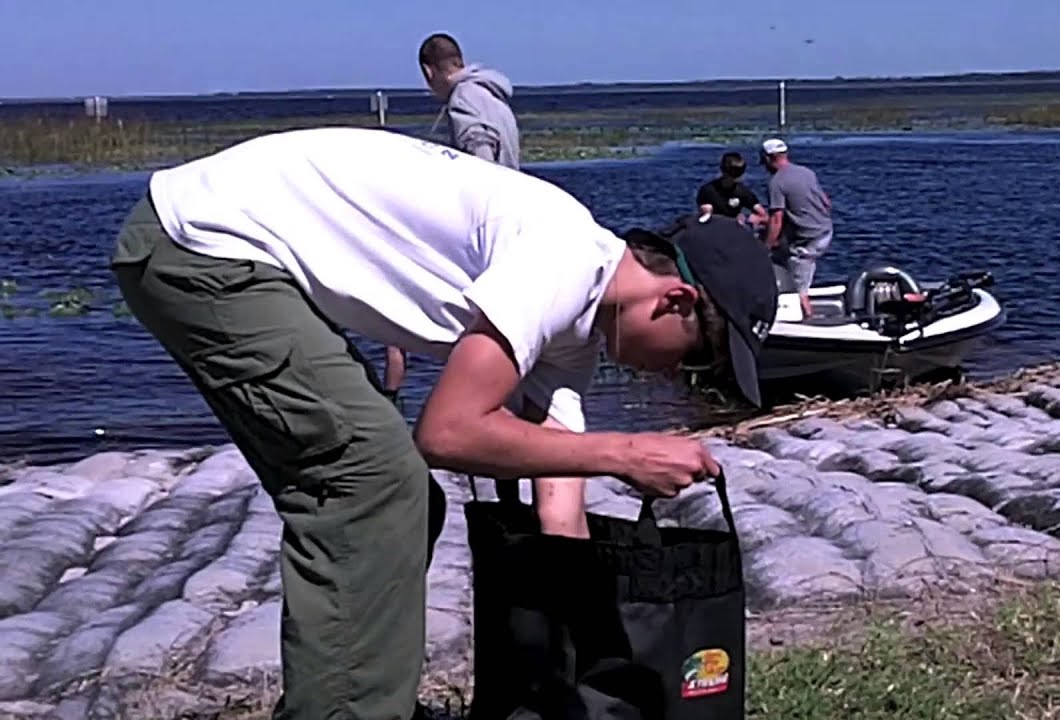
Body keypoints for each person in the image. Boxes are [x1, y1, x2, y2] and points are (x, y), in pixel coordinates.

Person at [108, 126, 779, 720]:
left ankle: (354, 698)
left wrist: (578, 665)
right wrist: (627, 452)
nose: (675, 378)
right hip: (201, 245)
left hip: (234, 250)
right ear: (675, 300)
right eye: (694, 360)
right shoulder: (563, 257)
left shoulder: (577, 328)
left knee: (394, 492)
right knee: (371, 484)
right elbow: (448, 433)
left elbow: (559, 489)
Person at [385, 34, 523, 417]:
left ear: (428, 72)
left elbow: (480, 162)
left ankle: (475, 413)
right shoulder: (492, 96)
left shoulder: (464, 100)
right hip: (508, 221)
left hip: (484, 231)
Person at [419, 32, 520, 170]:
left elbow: (481, 157)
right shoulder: (491, 94)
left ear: (428, 72)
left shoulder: (462, 98)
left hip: (490, 189)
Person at [760, 138, 834, 320]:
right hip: (826, 230)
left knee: (799, 282)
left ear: (769, 159)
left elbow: (777, 219)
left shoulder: (776, 183)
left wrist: (764, 249)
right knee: (782, 256)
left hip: (809, 239)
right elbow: (826, 202)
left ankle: (808, 319)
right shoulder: (806, 172)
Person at [695, 151, 768, 228]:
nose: (736, 177)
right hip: (714, 230)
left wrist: (749, 219)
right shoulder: (708, 191)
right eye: (732, 172)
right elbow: (706, 218)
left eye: (739, 172)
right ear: (723, 170)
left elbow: (765, 216)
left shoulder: (743, 192)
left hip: (734, 230)